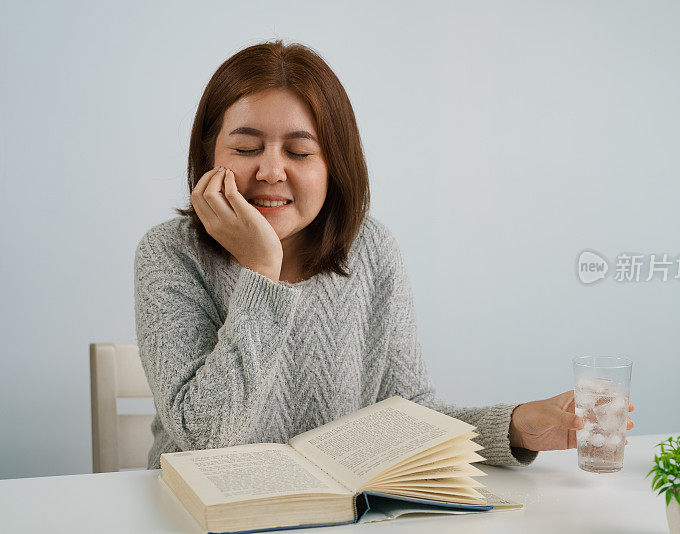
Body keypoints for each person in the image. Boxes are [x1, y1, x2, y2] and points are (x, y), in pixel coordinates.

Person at [134, 40, 634, 470]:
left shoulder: (371, 250)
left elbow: (408, 414)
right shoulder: (169, 254)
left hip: (342, 515)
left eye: (299, 152)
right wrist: (263, 273)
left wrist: (516, 427)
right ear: (210, 155)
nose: (270, 171)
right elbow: (204, 439)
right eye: (246, 148)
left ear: (334, 163)